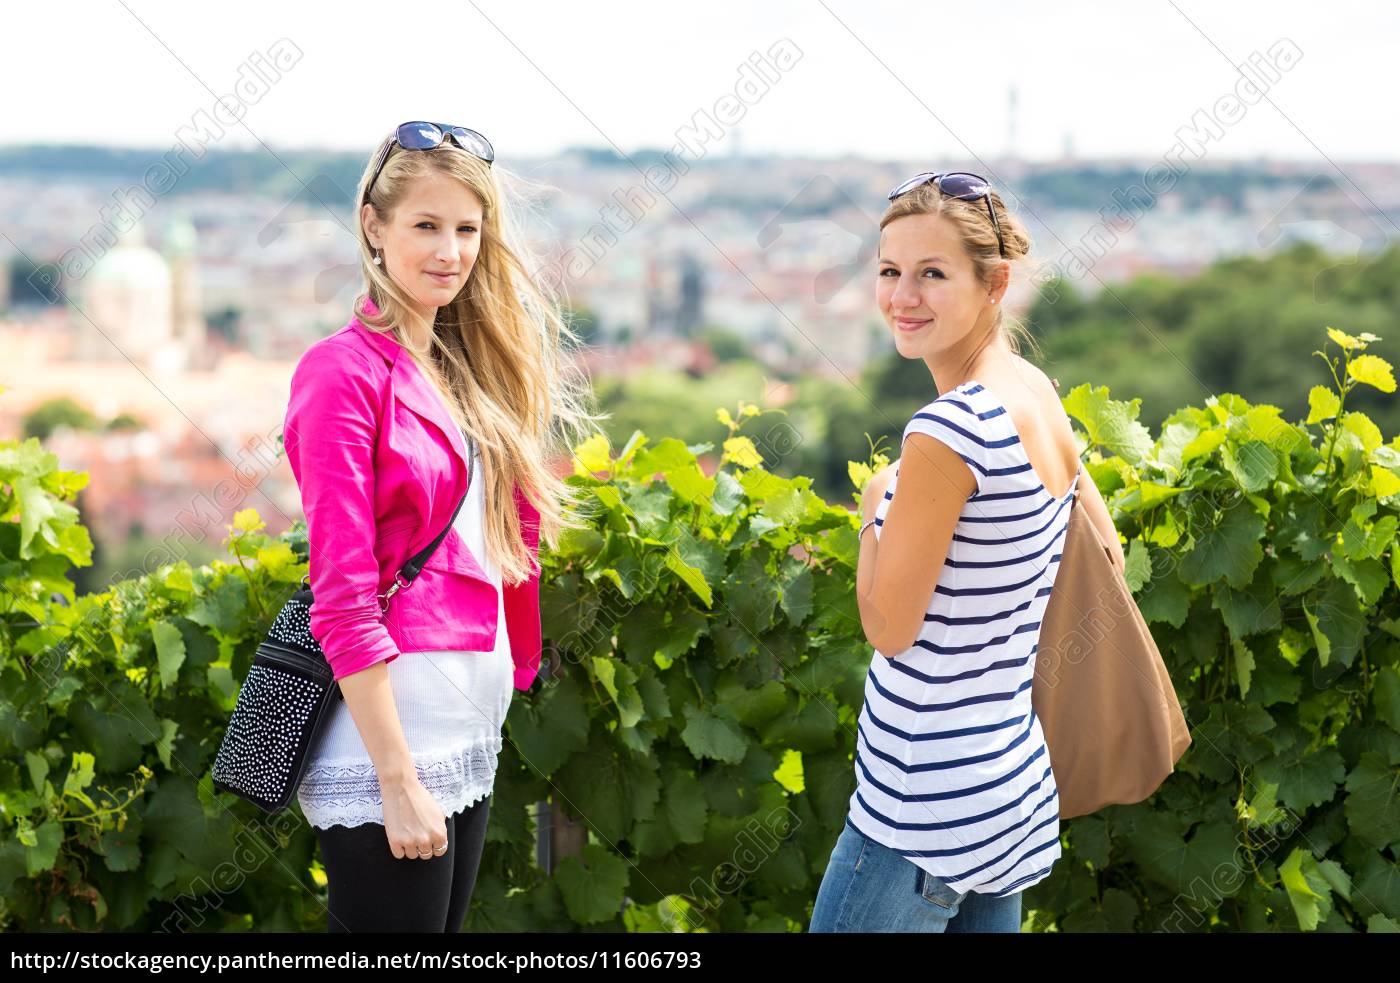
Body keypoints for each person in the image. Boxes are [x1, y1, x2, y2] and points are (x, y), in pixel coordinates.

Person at [281, 122, 602, 933]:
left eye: (467, 228)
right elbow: (344, 598)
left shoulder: (465, 373)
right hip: (392, 741)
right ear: (373, 227)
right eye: (425, 225)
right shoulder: (340, 373)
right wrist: (395, 780)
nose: (450, 250)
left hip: (463, 729)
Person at [808, 172, 1126, 933]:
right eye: (890, 271)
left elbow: (889, 626)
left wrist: (869, 515)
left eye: (932, 274)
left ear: (995, 284)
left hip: (919, 808)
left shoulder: (949, 430)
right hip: (1007, 787)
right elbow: (1107, 551)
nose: (902, 296)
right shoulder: (1035, 392)